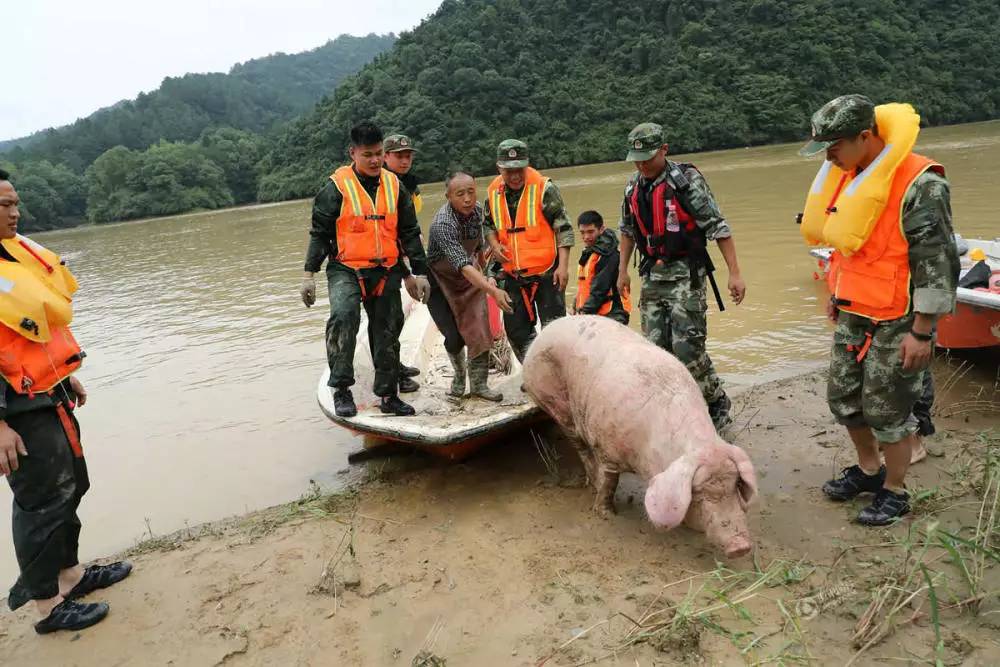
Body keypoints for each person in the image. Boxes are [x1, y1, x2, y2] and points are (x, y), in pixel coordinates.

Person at [798, 95, 959, 525]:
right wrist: (836, 293)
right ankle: (870, 471)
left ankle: (895, 490)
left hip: (901, 316)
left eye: (834, 147)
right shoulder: (847, 175)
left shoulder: (920, 183)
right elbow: (852, 251)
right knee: (845, 400)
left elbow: (937, 261)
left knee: (888, 410)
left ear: (864, 136)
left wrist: (923, 331)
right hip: (855, 310)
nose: (828, 157)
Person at [0, 169, 132, 633]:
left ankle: (70, 576)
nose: (15, 213)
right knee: (40, 502)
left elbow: (34, 333)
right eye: (4, 205)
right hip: (15, 411)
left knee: (72, 485)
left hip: (47, 392)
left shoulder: (14, 258)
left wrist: (65, 376)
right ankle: (46, 607)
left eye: (15, 203)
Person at [616, 123, 746, 431]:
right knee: (655, 351)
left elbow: (718, 227)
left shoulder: (687, 182)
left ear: (664, 150)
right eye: (637, 158)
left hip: (686, 276)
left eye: (647, 157)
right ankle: (674, 408)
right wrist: (622, 271)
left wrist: (735, 274)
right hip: (652, 277)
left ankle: (715, 401)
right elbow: (627, 231)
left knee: (688, 349)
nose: (641, 164)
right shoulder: (633, 187)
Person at [300, 122, 430, 418]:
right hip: (346, 268)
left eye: (378, 153)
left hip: (385, 270)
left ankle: (388, 394)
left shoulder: (395, 186)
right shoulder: (335, 188)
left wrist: (418, 273)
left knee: (388, 326)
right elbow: (319, 233)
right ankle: (342, 388)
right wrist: (309, 275)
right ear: (353, 153)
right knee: (344, 317)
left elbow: (409, 231)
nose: (374, 160)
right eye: (368, 154)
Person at [483, 139, 574, 363]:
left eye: (520, 170)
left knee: (555, 330)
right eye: (509, 171)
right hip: (513, 274)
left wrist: (563, 267)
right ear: (499, 168)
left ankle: (558, 375)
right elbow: (488, 224)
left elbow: (564, 228)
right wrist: (494, 245)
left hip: (547, 273)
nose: (515, 176)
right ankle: (533, 372)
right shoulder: (493, 192)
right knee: (516, 331)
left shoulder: (545, 189)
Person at [426, 169, 513, 401]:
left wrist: (487, 266)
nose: (467, 199)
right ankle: (458, 375)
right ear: (448, 197)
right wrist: (493, 290)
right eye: (460, 194)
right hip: (440, 280)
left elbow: (478, 248)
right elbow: (462, 265)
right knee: (454, 336)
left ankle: (479, 385)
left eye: (471, 192)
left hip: (470, 277)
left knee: (479, 331)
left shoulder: (478, 213)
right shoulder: (442, 224)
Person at [382, 133, 425, 392]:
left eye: (408, 155)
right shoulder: (384, 186)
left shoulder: (408, 185)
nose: (405, 160)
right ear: (385, 157)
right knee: (389, 318)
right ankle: (392, 376)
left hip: (398, 256)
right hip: (384, 260)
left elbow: (409, 227)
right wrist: (407, 271)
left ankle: (395, 366)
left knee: (395, 317)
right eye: (399, 156)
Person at [571, 211, 631, 325]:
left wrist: (583, 313)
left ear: (602, 229)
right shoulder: (590, 252)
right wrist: (575, 306)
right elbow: (583, 284)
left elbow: (600, 289)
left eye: (590, 232)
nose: (586, 237)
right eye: (582, 233)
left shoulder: (608, 255)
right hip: (595, 312)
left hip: (613, 314)